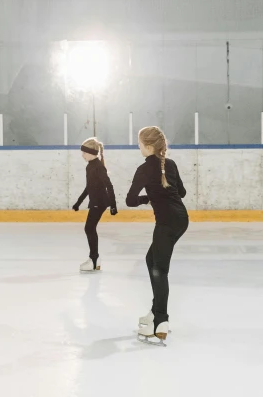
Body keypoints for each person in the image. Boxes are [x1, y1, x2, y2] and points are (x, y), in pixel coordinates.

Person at [126, 126, 189, 346]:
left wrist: (147, 198)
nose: (139, 147)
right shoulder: (169, 164)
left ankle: (161, 320)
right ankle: (155, 312)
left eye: (140, 144)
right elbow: (181, 193)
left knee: (159, 269)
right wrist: (161, 194)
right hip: (181, 219)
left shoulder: (143, 169)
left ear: (149, 146)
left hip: (166, 223)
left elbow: (130, 200)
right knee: (151, 261)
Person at [72, 137, 117, 272]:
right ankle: (95, 259)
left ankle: (94, 259)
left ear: (91, 153)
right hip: (96, 201)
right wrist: (78, 203)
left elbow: (109, 185)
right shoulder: (90, 166)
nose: (82, 155)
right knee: (89, 228)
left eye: (84, 152)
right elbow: (89, 187)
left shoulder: (98, 167)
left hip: (100, 202)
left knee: (89, 228)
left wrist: (113, 205)